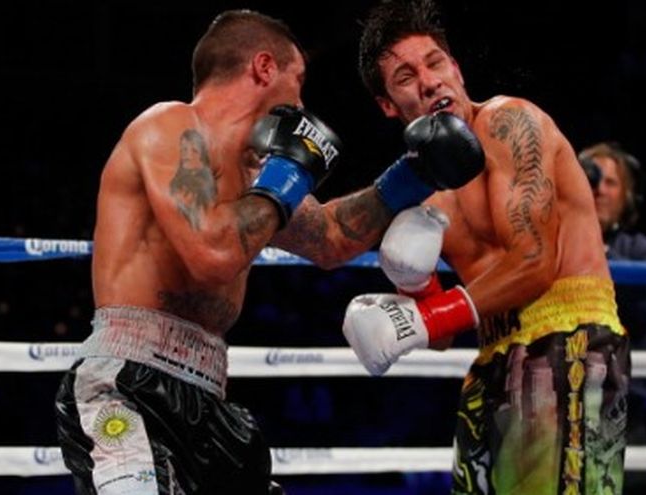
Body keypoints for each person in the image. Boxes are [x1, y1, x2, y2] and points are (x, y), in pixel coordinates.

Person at [53, 8, 485, 495]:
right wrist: (288, 177)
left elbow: (331, 238)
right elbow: (211, 254)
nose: (300, 104)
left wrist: (413, 174)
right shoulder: (171, 127)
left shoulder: (256, 175)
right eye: (297, 82)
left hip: (208, 397)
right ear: (264, 67)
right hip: (129, 386)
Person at [342, 1, 630, 494]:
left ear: (455, 69)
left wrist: (428, 317)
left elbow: (534, 263)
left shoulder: (508, 121)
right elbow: (441, 336)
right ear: (387, 104)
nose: (429, 82)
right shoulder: (420, 193)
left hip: (568, 337)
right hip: (492, 352)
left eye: (435, 63)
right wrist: (415, 283)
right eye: (406, 77)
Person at [580, 142, 646, 495]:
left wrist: (595, 251)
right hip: (554, 406)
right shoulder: (548, 248)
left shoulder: (643, 252)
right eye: (591, 179)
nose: (599, 189)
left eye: (611, 182)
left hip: (621, 409)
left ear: (628, 197)